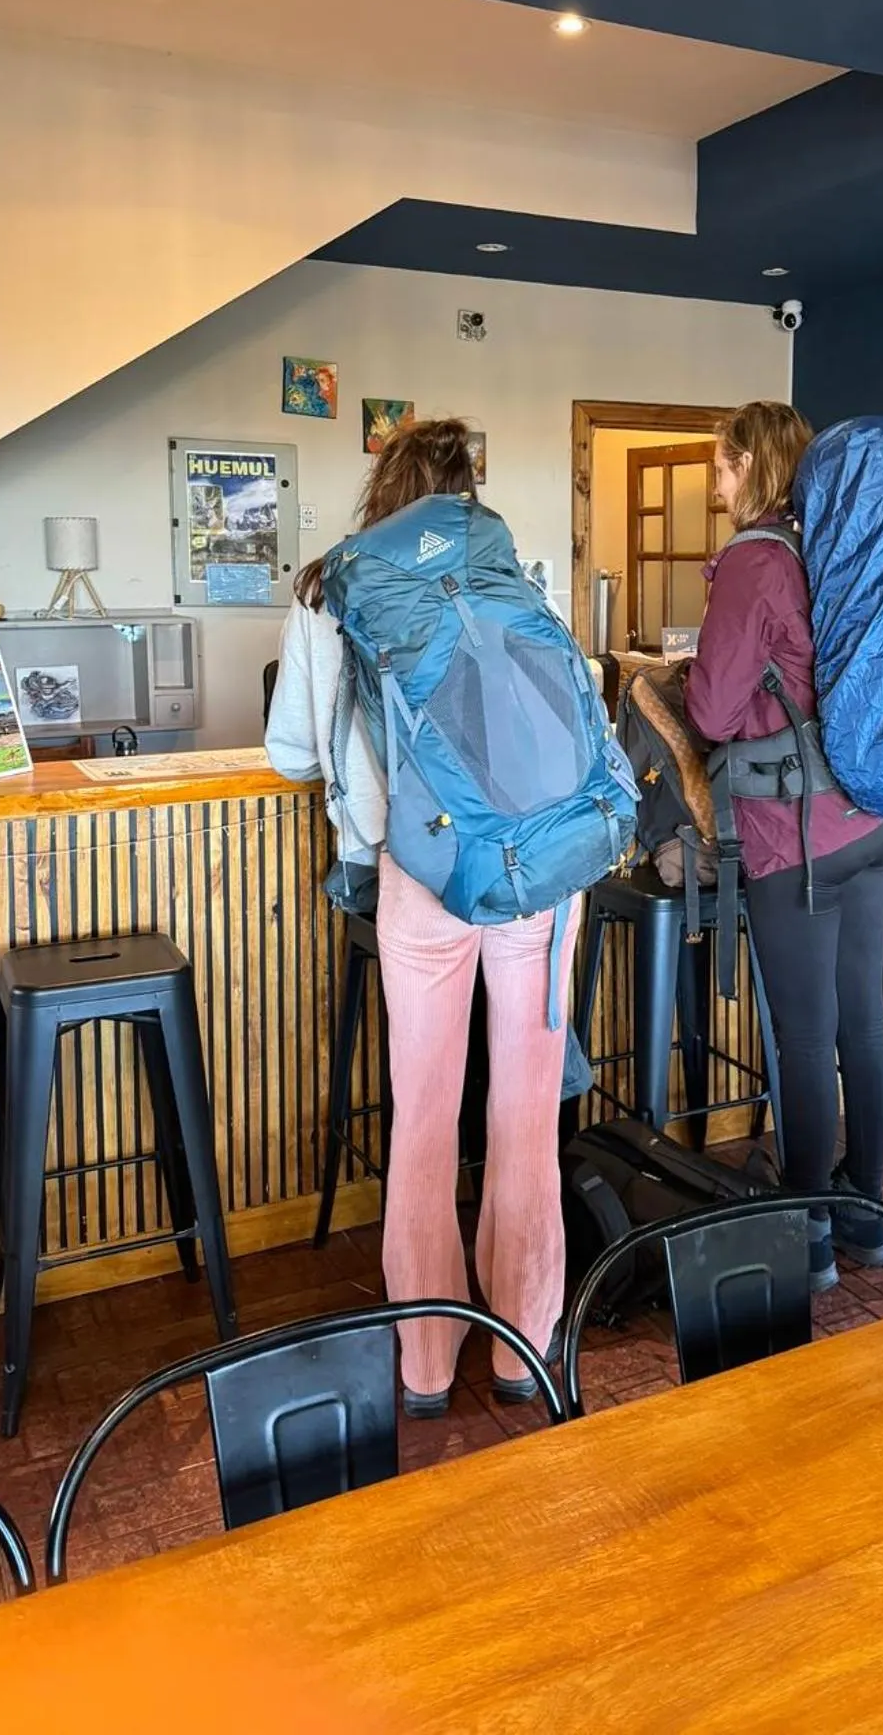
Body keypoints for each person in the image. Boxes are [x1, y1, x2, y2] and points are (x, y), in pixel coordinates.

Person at [265, 418, 580, 1413]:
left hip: (421, 874)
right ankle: (523, 1348)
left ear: (384, 486)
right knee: (527, 1121)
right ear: (465, 495)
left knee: (425, 1122)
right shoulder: (513, 571)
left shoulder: (331, 587)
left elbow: (290, 753)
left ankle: (427, 1364)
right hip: (537, 867)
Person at [683, 399, 883, 1290]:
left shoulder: (753, 562)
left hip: (799, 832)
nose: (716, 478)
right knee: (862, 1014)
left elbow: (710, 710)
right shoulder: (840, 545)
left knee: (806, 1035)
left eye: (724, 462)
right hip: (880, 817)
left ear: (751, 465)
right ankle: (868, 1214)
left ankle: (808, 1231)